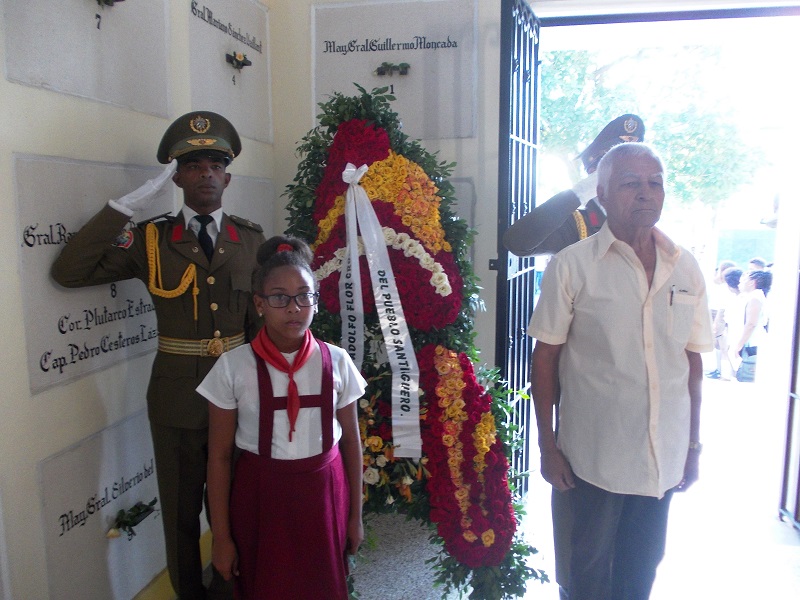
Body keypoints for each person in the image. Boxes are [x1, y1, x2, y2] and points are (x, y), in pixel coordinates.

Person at [51, 111, 266, 599]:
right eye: (193, 165)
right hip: (177, 399)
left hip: (239, 397)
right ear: (176, 176)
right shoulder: (151, 239)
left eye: (215, 163)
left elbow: (258, 329)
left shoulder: (250, 240)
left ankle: (235, 590)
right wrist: (124, 208)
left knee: (236, 508)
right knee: (179, 515)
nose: (206, 172)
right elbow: (70, 270)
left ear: (228, 177)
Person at [528, 142, 713, 600]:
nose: (646, 193)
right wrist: (547, 447)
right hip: (592, 459)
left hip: (661, 456)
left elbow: (693, 366)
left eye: (655, 183)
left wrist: (692, 447)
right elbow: (544, 360)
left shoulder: (685, 266)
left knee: (640, 573)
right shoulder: (573, 266)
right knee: (584, 575)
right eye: (631, 184)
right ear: (603, 196)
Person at [198, 236, 366, 600]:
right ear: (259, 304)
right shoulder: (232, 367)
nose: (294, 308)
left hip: (323, 493)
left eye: (305, 295)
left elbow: (351, 442)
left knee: (323, 586)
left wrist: (356, 516)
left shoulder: (337, 362)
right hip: (261, 497)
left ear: (316, 303)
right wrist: (222, 537)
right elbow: (220, 457)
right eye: (279, 297)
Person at [503, 114, 645, 257]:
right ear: (593, 173)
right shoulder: (577, 225)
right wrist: (579, 193)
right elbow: (517, 242)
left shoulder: (643, 226)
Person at [733, 269, 773, 382]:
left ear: (752, 282)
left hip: (754, 343)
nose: (740, 283)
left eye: (744, 280)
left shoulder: (755, 298)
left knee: (749, 376)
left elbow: (751, 323)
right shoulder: (757, 296)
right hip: (755, 342)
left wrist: (739, 345)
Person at [705, 260, 738, 380]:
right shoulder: (715, 283)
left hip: (720, 314)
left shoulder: (727, 287)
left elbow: (723, 305)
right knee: (718, 345)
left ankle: (725, 372)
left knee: (723, 345)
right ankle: (719, 370)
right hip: (714, 312)